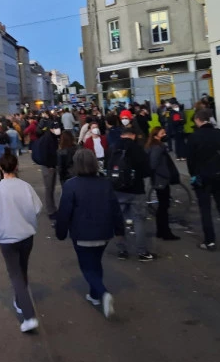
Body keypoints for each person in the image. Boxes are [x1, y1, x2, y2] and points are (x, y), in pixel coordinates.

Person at [56, 149, 123, 319]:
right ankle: (94, 295)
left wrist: (61, 232)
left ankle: (103, 293)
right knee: (95, 263)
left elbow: (64, 212)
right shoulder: (105, 183)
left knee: (86, 267)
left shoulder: (71, 185)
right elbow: (115, 209)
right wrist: (120, 230)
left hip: (82, 234)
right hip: (104, 232)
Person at [0, 148, 43, 333]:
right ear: (16, 167)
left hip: (7, 239)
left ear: (0, 168)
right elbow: (37, 208)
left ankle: (29, 315)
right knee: (22, 269)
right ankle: (20, 301)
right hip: (26, 236)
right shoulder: (25, 187)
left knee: (15, 274)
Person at [187, 108, 220, 251]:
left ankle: (210, 241)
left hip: (202, 177)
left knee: (205, 209)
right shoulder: (219, 134)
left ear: (198, 120)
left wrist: (193, 175)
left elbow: (191, 160)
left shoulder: (194, 136)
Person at [108, 126, 156, 261]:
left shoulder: (112, 148)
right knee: (138, 220)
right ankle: (142, 252)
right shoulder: (138, 149)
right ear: (133, 136)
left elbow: (108, 168)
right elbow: (147, 171)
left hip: (117, 189)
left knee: (119, 220)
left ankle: (122, 250)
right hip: (136, 189)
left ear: (122, 135)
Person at [146, 127, 180, 241]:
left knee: (162, 206)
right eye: (162, 133)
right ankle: (165, 232)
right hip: (161, 180)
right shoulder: (157, 148)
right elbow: (153, 164)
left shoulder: (154, 146)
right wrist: (165, 174)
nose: (165, 134)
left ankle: (161, 231)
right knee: (163, 206)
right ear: (156, 135)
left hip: (159, 179)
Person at [33, 122, 61, 220]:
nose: (58, 129)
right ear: (51, 129)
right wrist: (50, 166)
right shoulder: (48, 139)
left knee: (51, 189)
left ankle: (52, 208)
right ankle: (50, 211)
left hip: (51, 166)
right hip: (48, 167)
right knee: (49, 189)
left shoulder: (51, 137)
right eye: (56, 128)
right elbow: (46, 154)